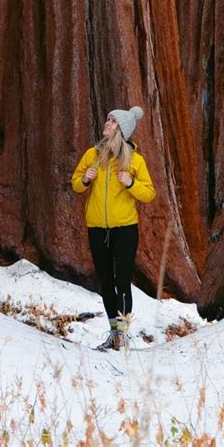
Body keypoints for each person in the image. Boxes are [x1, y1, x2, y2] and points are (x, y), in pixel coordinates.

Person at [71, 105, 156, 351]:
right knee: (106, 281)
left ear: (121, 129)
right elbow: (76, 185)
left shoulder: (135, 160)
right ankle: (113, 333)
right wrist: (85, 179)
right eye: (107, 120)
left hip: (125, 228)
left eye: (112, 121)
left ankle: (123, 333)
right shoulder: (92, 155)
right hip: (97, 227)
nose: (106, 124)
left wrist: (130, 183)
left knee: (122, 280)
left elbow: (149, 193)